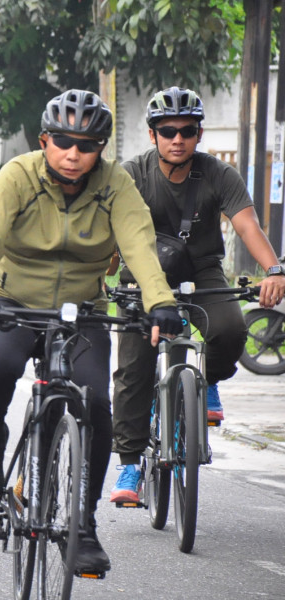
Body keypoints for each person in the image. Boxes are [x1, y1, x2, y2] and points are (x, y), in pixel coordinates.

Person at [0, 89, 182, 574]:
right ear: (44, 140)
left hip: (81, 310)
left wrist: (160, 302)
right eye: (62, 142)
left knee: (96, 403)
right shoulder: (17, 175)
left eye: (87, 145)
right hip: (13, 300)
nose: (73, 154)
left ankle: (84, 525)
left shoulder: (115, 185)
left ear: (100, 149)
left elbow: (139, 243)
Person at [109, 87, 285, 503]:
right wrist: (104, 265)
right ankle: (130, 466)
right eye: (167, 130)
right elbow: (111, 230)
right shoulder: (132, 173)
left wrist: (274, 269)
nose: (177, 138)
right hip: (142, 274)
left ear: (199, 134)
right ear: (152, 134)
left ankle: (210, 383)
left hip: (203, 270)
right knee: (133, 368)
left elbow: (246, 225)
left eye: (186, 130)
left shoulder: (219, 175)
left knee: (228, 329)